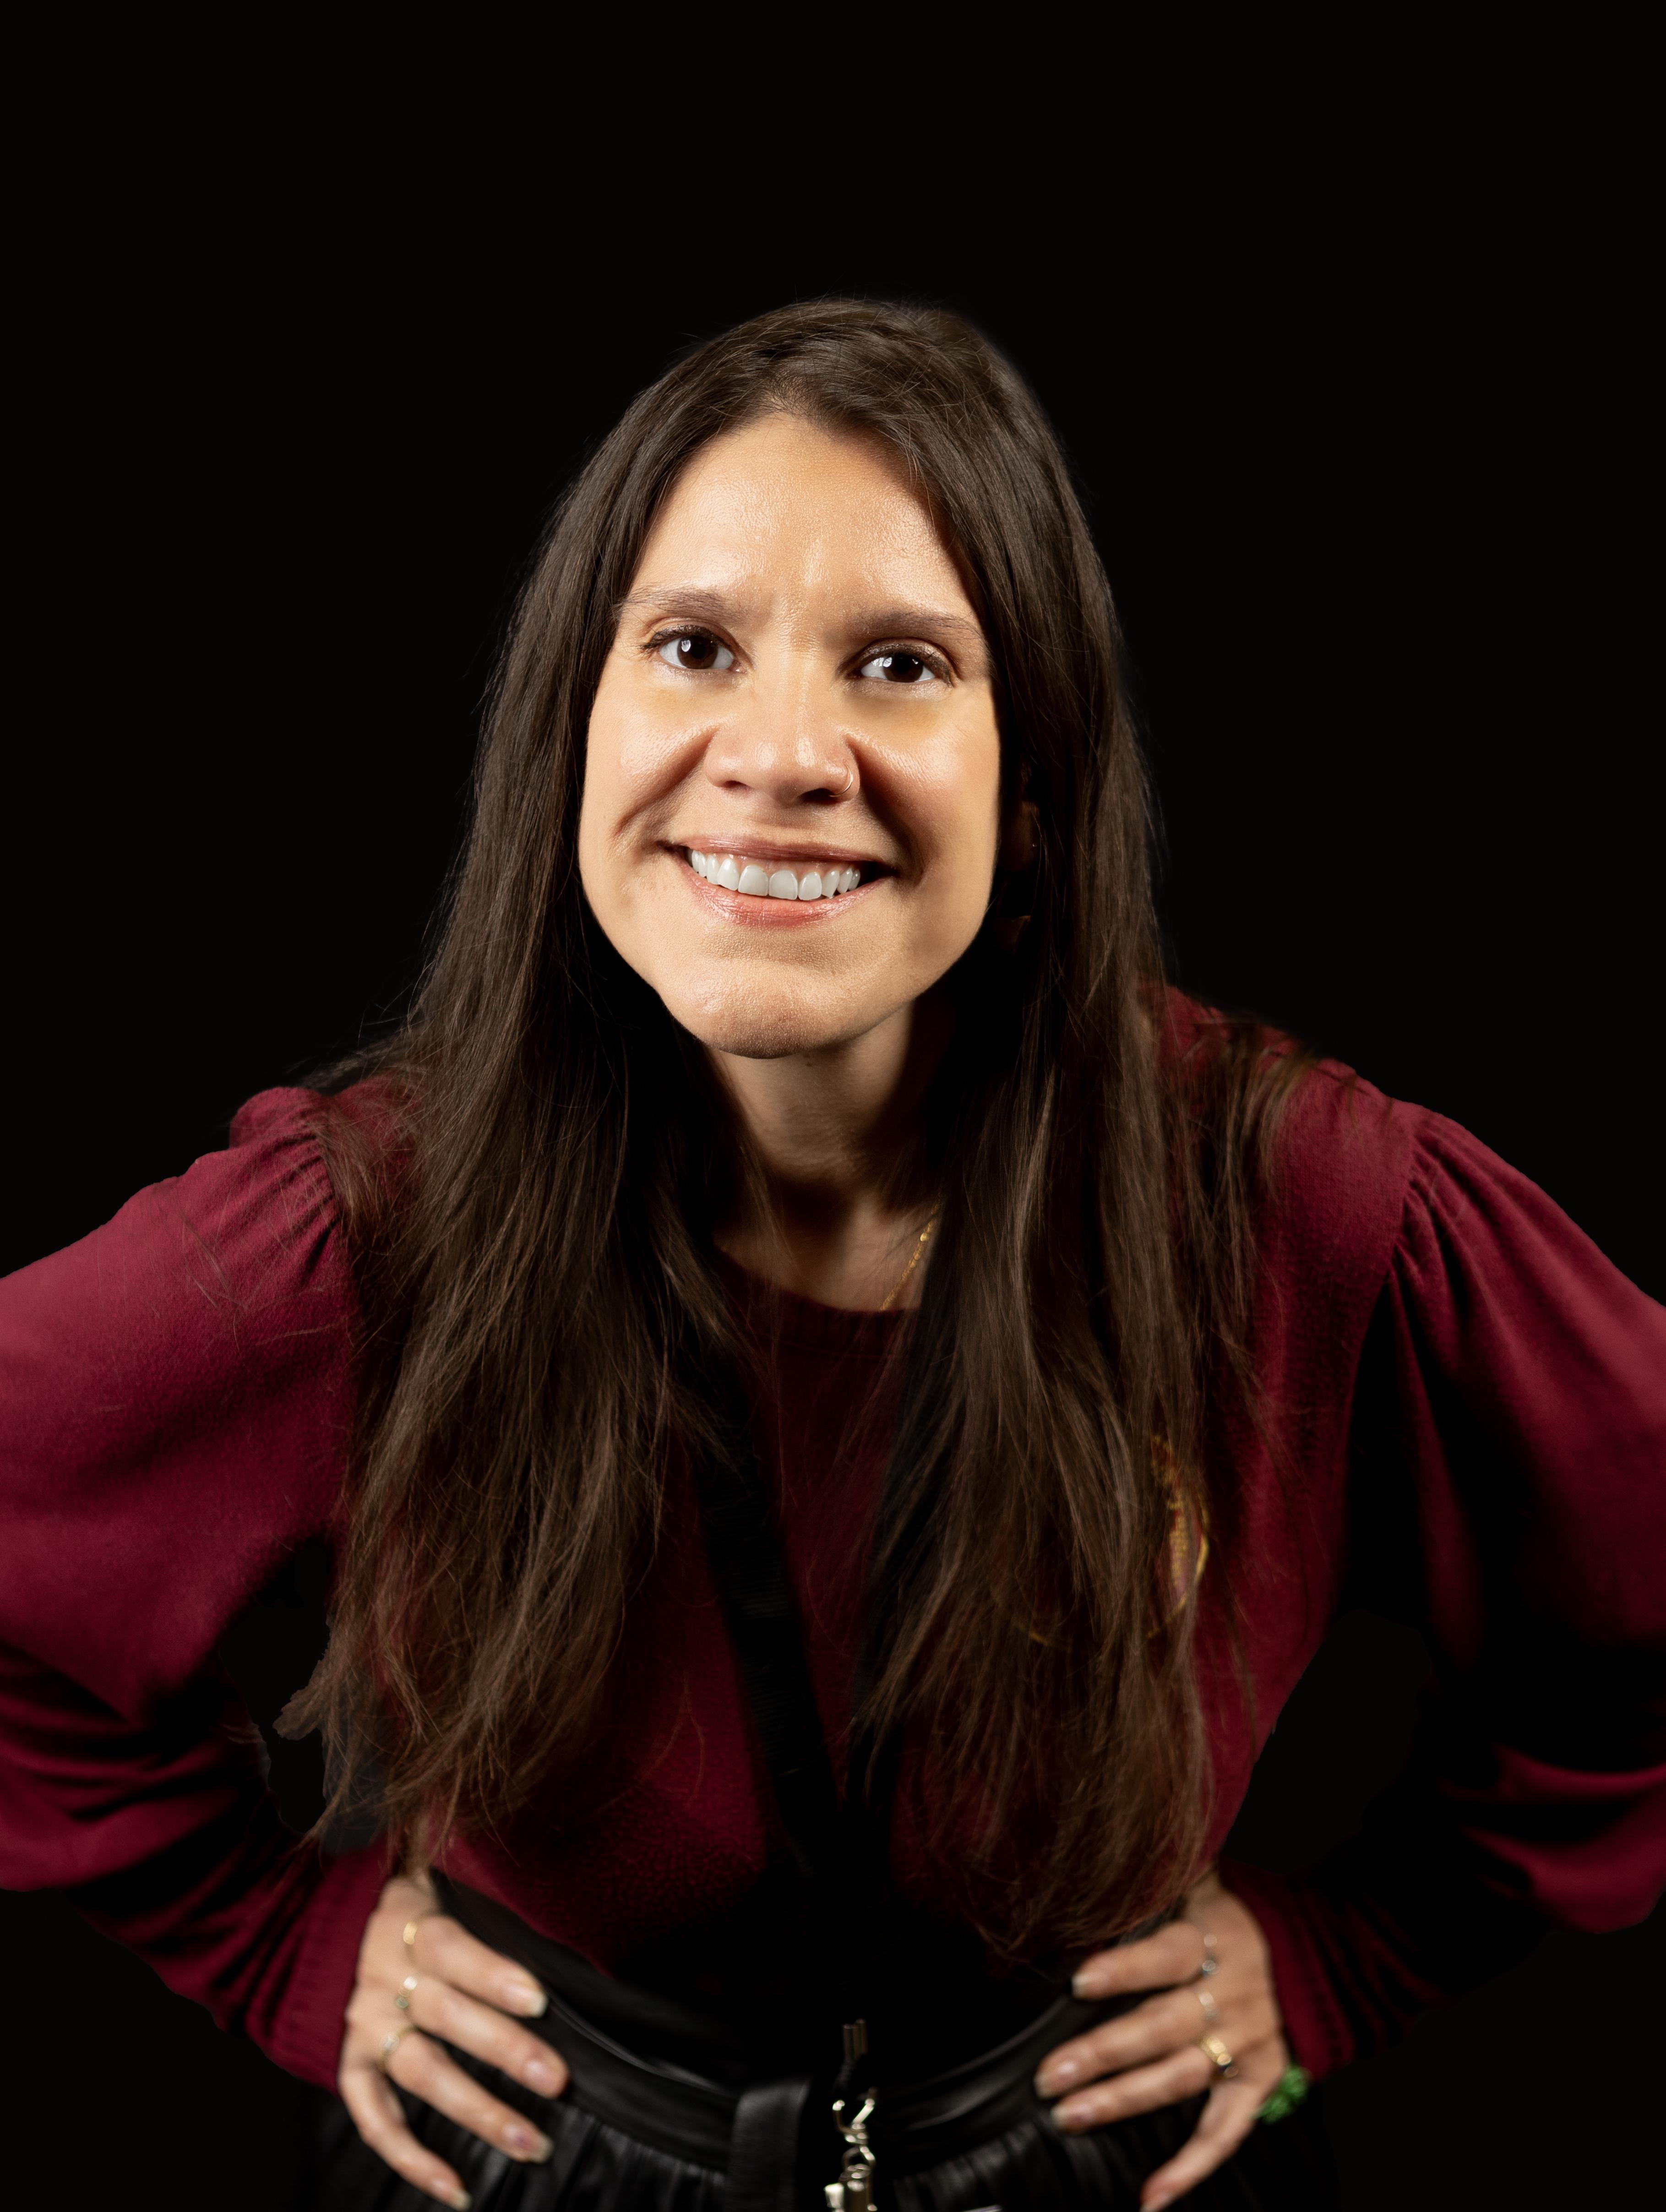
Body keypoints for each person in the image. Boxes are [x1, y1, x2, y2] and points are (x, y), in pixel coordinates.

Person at [2, 300, 1661, 2212]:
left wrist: (1358, 1949)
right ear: (579, 723)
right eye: (695, 645)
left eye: (897, 664)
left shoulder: (1295, 1203)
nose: (782, 753)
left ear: (1031, 786)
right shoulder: (366, 1228)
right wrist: (263, 1939)